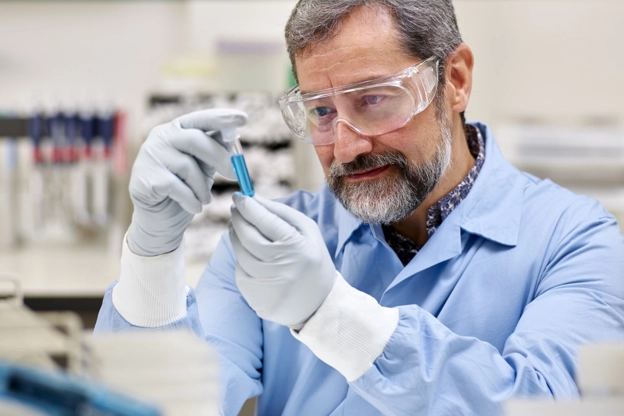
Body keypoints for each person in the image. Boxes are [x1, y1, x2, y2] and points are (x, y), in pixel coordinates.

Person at [95, 1, 624, 415]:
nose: (345, 147)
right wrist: (151, 259)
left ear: (455, 79)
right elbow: (165, 404)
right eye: (321, 111)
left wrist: (332, 316)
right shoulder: (267, 247)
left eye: (373, 98)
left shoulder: (576, 241)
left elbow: (546, 404)